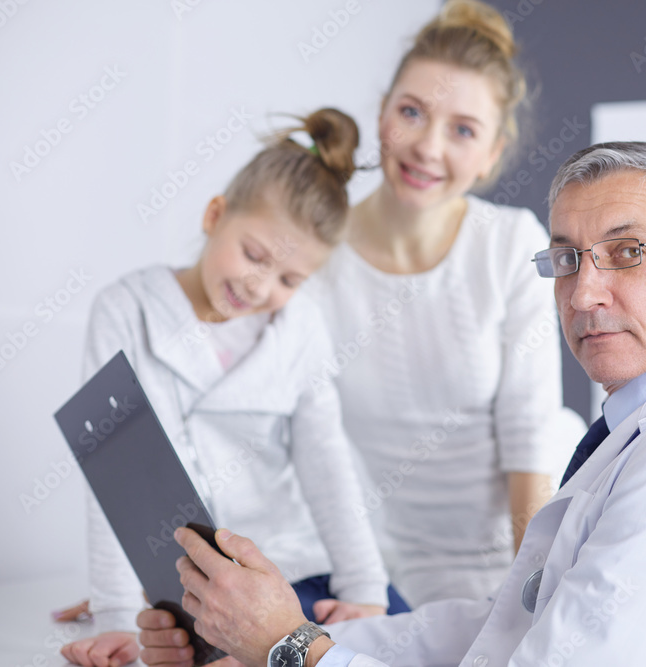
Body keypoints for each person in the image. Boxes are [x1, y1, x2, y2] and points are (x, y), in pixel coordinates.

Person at [136, 141, 646, 666]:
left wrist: (288, 645)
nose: (585, 294)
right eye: (567, 258)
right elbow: (502, 627)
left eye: (627, 253)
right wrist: (259, 635)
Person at [58, 108, 407, 667]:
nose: (260, 285)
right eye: (254, 255)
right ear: (215, 214)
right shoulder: (125, 310)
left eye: (290, 280)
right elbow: (113, 473)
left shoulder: (300, 330)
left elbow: (328, 466)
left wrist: (365, 589)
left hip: (301, 570)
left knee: (400, 642)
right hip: (206, 592)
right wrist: (116, 617)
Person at [301, 0, 583, 607]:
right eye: (411, 112)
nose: (428, 147)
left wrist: (525, 603)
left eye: (462, 129)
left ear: (491, 153)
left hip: (506, 564)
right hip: (371, 575)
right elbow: (289, 436)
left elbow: (529, 436)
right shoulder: (314, 256)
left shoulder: (510, 245)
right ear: (381, 113)